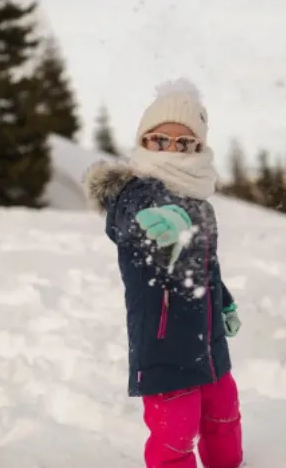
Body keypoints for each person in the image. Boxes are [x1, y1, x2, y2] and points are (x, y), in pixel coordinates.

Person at [82, 78, 243, 468]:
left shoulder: (200, 203)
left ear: (199, 148)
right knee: (175, 435)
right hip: (163, 339)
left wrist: (224, 301)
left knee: (223, 415)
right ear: (144, 141)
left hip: (209, 340)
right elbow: (127, 222)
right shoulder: (135, 191)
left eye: (184, 142)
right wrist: (153, 221)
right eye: (159, 139)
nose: (171, 148)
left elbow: (206, 266)